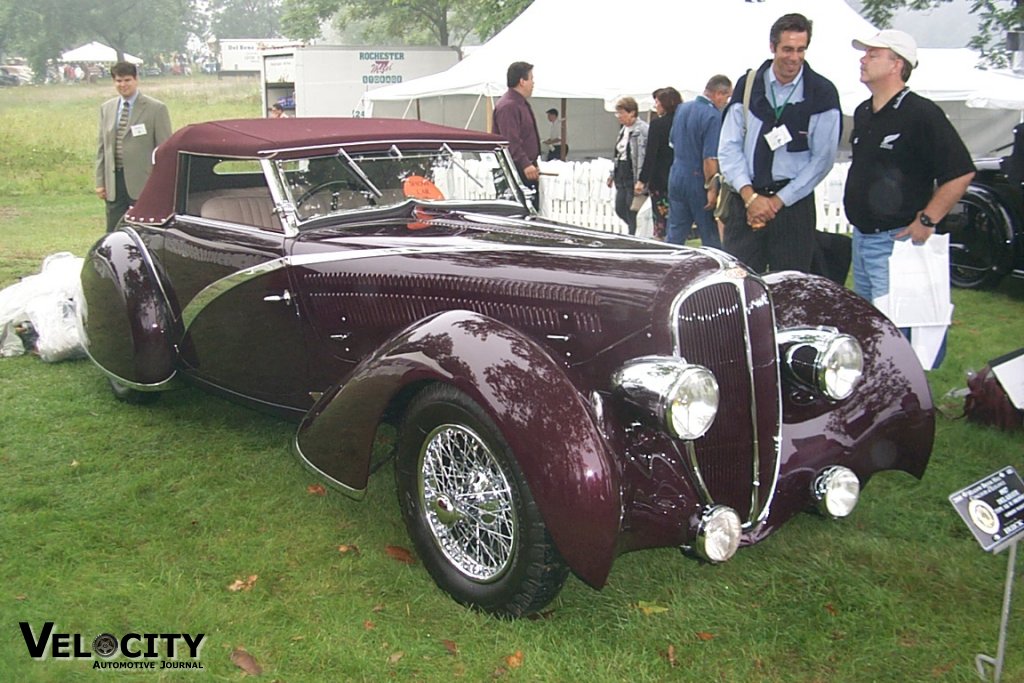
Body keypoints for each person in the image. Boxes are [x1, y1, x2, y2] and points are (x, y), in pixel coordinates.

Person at [844, 30, 975, 306]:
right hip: (861, 237)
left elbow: (960, 172)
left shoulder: (921, 113)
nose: (863, 60)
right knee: (868, 322)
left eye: (873, 54)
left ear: (897, 64)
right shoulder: (863, 112)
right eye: (865, 54)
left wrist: (928, 219)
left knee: (894, 322)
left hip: (895, 240)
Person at [717, 13, 841, 273]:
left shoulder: (822, 93)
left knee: (790, 285)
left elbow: (823, 159)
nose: (794, 58)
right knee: (739, 281)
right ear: (772, 47)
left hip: (792, 207)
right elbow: (729, 146)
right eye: (787, 49)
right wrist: (750, 198)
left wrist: (776, 202)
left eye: (800, 50)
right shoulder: (748, 86)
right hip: (745, 200)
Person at [95, 61, 172, 232]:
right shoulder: (106, 108)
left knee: (144, 230)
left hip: (143, 181)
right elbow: (102, 148)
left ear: (136, 80)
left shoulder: (156, 109)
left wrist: (162, 183)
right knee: (114, 230)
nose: (123, 85)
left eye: (127, 80)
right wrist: (100, 182)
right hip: (115, 181)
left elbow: (164, 150)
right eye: (119, 81)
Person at [667, 76, 732, 247]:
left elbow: (672, 141)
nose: (726, 102)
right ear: (718, 94)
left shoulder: (682, 108)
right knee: (710, 236)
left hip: (676, 174)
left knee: (675, 235)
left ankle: (669, 261)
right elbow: (710, 158)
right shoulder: (713, 116)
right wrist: (712, 188)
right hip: (698, 178)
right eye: (727, 97)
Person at [636, 88, 682, 241]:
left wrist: (642, 179)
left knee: (661, 217)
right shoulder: (683, 122)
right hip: (680, 174)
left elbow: (651, 154)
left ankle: (662, 239)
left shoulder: (657, 125)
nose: (655, 106)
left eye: (657, 102)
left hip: (660, 178)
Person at [493, 61, 541, 203]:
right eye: (531, 78)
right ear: (522, 81)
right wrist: (525, 163)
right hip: (515, 171)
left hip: (525, 168)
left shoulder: (519, 104)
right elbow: (510, 141)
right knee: (520, 210)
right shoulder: (509, 106)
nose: (533, 83)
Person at [606, 97, 649, 236]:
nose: (618, 116)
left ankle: (633, 234)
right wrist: (612, 174)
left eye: (621, 113)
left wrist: (641, 179)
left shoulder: (642, 130)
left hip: (632, 173)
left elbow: (642, 155)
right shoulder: (623, 130)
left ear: (632, 113)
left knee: (632, 209)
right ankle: (632, 228)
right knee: (620, 207)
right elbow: (618, 153)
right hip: (621, 172)